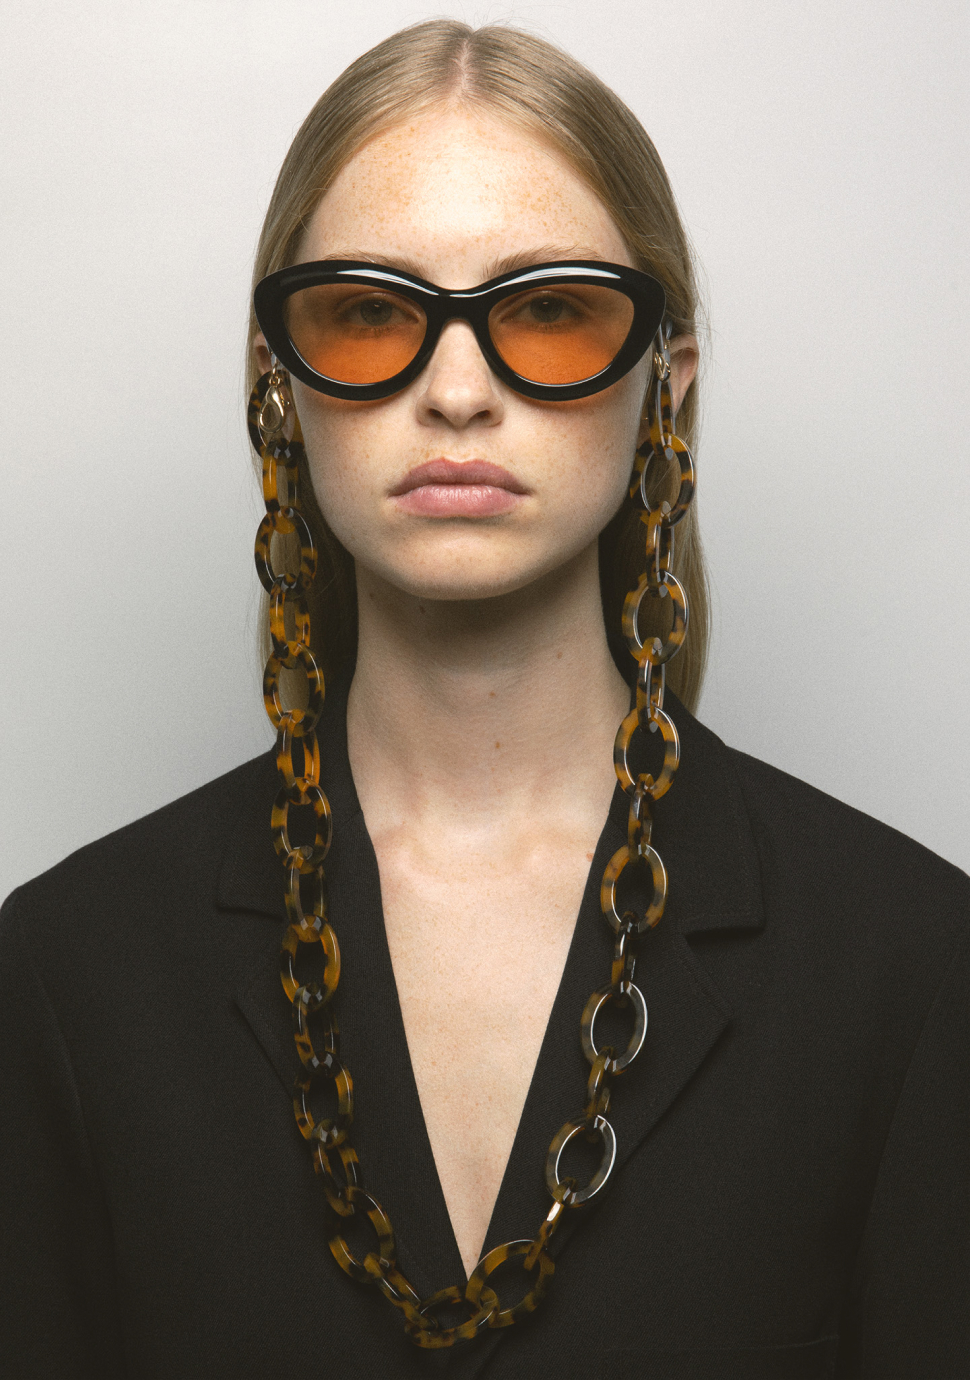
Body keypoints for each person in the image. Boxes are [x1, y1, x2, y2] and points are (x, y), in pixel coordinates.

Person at [1, 20, 967, 1379]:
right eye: (368, 312)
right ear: (276, 381)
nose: (456, 393)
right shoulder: (67, 976)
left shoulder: (912, 970)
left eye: (551, 310)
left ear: (664, 385)